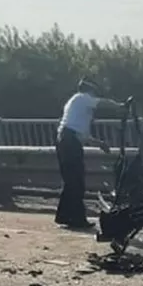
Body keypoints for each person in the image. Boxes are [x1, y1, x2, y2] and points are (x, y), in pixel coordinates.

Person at [54, 79, 125, 229]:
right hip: (70, 143)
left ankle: (65, 216)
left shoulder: (77, 104)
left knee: (72, 180)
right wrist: (119, 106)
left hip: (67, 141)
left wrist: (100, 144)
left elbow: (82, 135)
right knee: (76, 180)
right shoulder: (83, 98)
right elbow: (103, 103)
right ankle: (76, 219)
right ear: (90, 91)